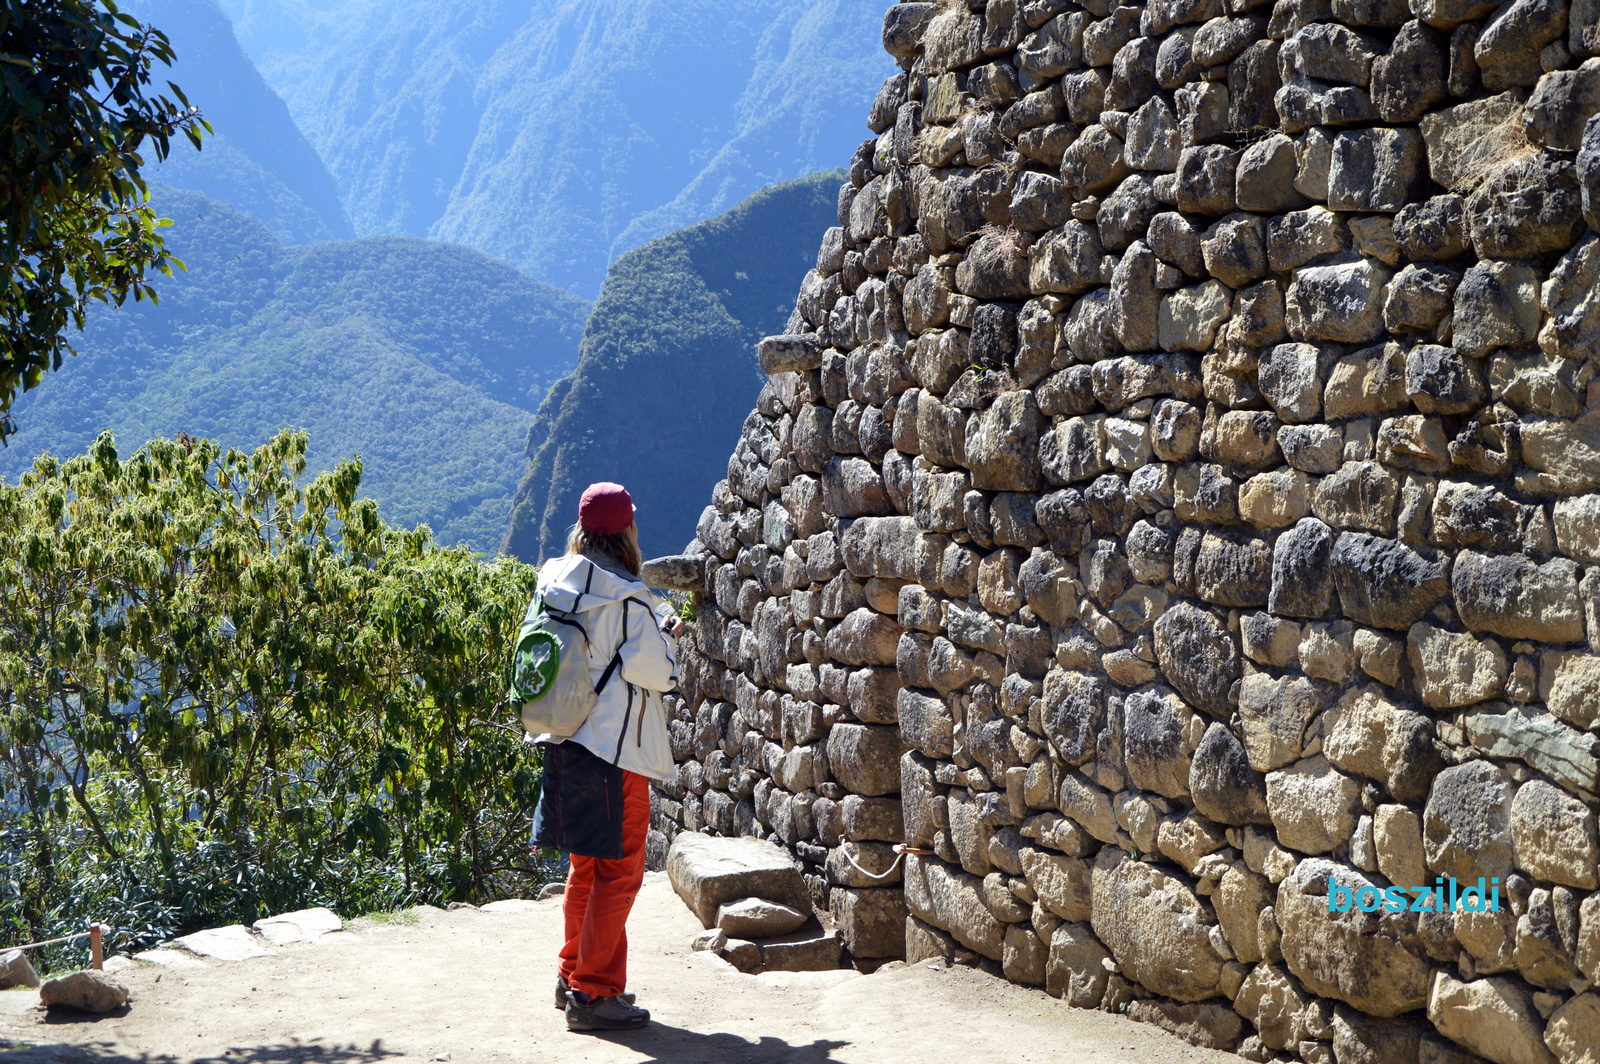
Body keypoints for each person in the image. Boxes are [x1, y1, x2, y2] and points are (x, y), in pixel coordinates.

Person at [529, 482, 683, 1033]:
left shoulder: (551, 580)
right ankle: (594, 996)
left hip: (561, 736)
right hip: (613, 751)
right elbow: (659, 674)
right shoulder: (629, 597)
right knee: (618, 872)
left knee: (585, 865)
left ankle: (573, 976)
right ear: (625, 533)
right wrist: (666, 635)